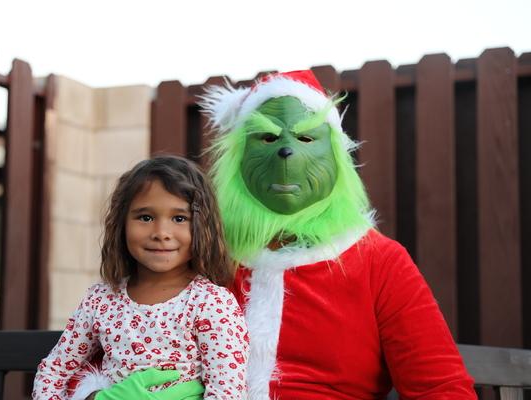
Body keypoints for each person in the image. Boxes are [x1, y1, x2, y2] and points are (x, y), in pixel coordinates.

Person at [199, 70, 477, 399]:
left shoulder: (379, 261)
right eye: (268, 138)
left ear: (335, 155)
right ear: (237, 155)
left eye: (305, 138)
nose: (286, 152)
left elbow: (441, 388)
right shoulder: (210, 254)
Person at [32, 156, 249, 400]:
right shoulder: (101, 300)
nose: (161, 233)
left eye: (179, 218)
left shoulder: (211, 303)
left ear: (202, 225)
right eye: (145, 217)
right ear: (121, 224)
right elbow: (53, 370)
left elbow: (227, 393)